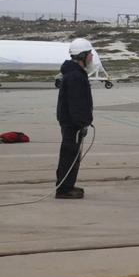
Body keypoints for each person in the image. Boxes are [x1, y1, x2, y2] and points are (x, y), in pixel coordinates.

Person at [55, 38, 96, 199]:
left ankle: (67, 185)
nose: (92, 57)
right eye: (90, 54)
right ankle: (64, 189)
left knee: (71, 155)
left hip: (71, 122)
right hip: (73, 124)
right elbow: (77, 103)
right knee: (69, 155)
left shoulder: (75, 73)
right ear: (82, 56)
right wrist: (82, 123)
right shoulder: (75, 76)